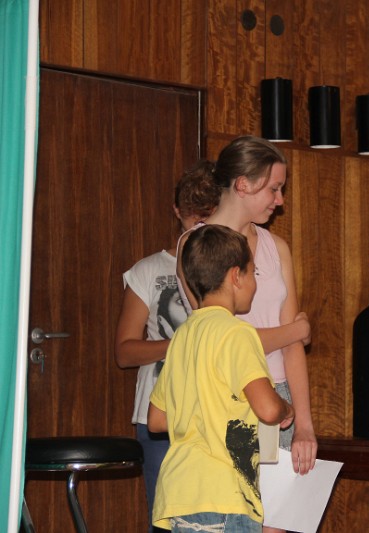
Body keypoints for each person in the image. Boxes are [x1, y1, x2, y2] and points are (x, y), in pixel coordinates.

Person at [176, 136, 315, 533]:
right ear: (242, 185)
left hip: (279, 401)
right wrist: (294, 329)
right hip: (227, 401)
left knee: (277, 523)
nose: (280, 200)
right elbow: (222, 338)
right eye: (274, 188)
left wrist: (305, 424)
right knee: (233, 521)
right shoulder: (196, 245)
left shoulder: (277, 247)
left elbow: (292, 347)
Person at [148, 224, 295, 532]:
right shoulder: (238, 334)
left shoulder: (181, 338)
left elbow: (157, 420)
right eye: (253, 273)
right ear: (235, 276)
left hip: (181, 493)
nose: (255, 283)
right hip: (225, 496)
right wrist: (286, 409)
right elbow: (268, 409)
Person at [114, 167, 219, 532]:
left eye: (207, 219)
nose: (199, 228)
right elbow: (125, 352)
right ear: (176, 211)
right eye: (193, 219)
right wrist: (180, 345)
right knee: (164, 520)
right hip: (159, 416)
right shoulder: (148, 270)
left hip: (215, 413)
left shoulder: (229, 268)